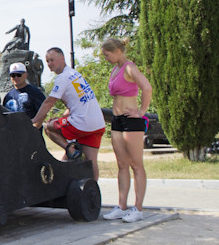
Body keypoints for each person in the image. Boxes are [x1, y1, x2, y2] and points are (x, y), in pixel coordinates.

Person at [31, 47, 105, 180]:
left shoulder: (62, 78)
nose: (49, 64)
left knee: (49, 127)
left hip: (83, 122)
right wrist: (63, 118)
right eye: (47, 61)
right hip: (97, 123)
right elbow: (75, 104)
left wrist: (35, 121)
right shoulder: (74, 74)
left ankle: (71, 150)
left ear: (62, 58)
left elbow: (49, 102)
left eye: (52, 60)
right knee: (91, 161)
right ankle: (93, 193)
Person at [100, 38, 153, 223]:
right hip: (117, 120)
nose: (105, 58)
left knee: (136, 164)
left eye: (107, 54)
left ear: (117, 51)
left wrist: (141, 111)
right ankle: (121, 207)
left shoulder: (130, 68)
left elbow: (147, 88)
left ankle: (138, 208)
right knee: (122, 164)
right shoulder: (115, 70)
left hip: (132, 121)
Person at [2, 62, 46, 127]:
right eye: (13, 75)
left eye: (19, 75)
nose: (16, 77)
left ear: (26, 75)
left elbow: (43, 113)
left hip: (31, 132)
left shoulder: (35, 93)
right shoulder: (8, 96)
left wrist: (34, 129)